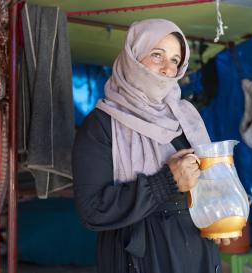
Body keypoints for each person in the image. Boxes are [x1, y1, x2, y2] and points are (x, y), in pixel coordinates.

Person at [72, 19, 230, 273]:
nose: (168, 69)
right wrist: (166, 181)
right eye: (157, 55)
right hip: (141, 258)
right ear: (133, 56)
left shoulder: (186, 118)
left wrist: (221, 216)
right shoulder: (101, 125)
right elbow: (92, 210)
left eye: (175, 60)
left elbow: (208, 181)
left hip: (197, 252)